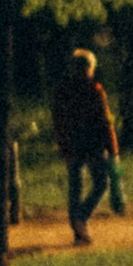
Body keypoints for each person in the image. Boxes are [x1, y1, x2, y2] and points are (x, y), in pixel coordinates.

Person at [50, 48, 122, 244]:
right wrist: (113, 149)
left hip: (71, 144)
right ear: (90, 68)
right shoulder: (94, 90)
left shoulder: (62, 90)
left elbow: (58, 119)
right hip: (93, 144)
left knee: (75, 187)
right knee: (101, 183)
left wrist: (62, 144)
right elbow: (105, 122)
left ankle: (77, 231)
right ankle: (81, 219)